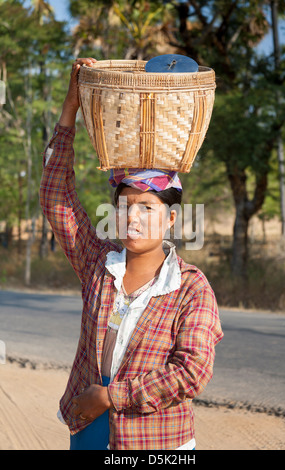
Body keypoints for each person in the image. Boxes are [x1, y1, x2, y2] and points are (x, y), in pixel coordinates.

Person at [40, 58, 223, 450]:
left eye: (147, 208)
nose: (133, 219)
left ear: (171, 219)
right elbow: (56, 197)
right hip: (89, 427)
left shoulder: (190, 288)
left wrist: (110, 397)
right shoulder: (98, 264)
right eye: (125, 206)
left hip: (154, 439)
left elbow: (191, 372)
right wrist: (70, 111)